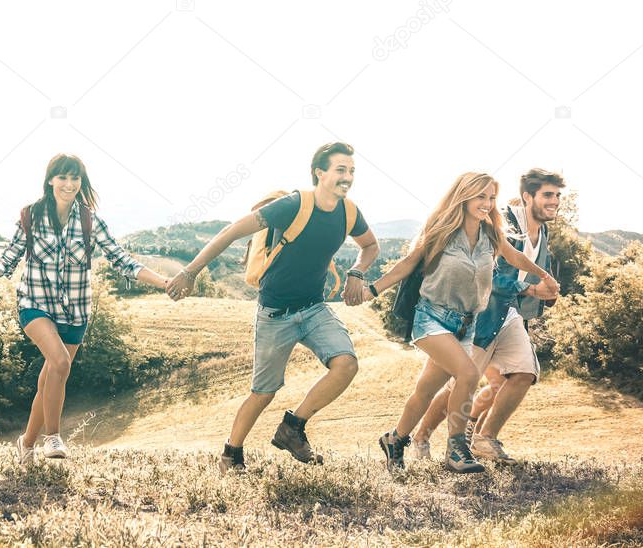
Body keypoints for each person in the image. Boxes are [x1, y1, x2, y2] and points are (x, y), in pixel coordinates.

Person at [166, 142, 380, 473]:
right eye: (341, 169)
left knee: (346, 364)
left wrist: (356, 273)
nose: (348, 177)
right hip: (274, 314)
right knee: (263, 393)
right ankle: (231, 453)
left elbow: (370, 246)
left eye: (352, 171)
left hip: (313, 309)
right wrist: (190, 271)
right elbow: (231, 231)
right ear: (319, 173)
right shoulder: (293, 205)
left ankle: (293, 428)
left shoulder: (349, 212)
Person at [0, 153, 169, 464]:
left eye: (75, 178)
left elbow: (122, 260)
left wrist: (164, 282)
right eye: (63, 177)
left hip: (75, 312)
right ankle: (53, 437)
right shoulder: (31, 216)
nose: (69, 183)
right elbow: (7, 260)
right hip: (35, 304)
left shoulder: (89, 220)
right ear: (50, 180)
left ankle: (26, 443)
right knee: (60, 363)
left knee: (50, 378)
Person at [364, 172, 559, 473]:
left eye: (491, 197)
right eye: (480, 196)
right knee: (468, 374)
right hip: (432, 318)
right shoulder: (442, 230)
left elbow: (516, 258)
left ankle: (395, 439)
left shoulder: (492, 233)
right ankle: (457, 450)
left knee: (426, 391)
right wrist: (372, 289)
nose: (487, 203)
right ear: (464, 196)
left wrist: (544, 276)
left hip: (466, 324)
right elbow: (408, 264)